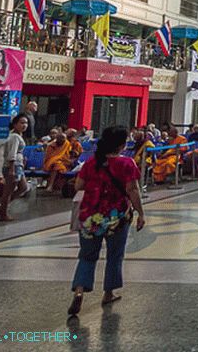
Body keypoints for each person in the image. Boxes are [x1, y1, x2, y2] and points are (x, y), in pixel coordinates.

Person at [68, 126, 145, 316]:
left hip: (90, 216)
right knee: (114, 255)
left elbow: (79, 185)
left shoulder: (91, 163)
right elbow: (132, 190)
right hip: (116, 217)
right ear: (121, 144)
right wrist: (141, 213)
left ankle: (79, 290)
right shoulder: (127, 164)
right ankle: (108, 292)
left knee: (86, 256)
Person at [0, 115, 29, 222]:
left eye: (26, 123)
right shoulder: (14, 137)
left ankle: (2, 207)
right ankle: (3, 213)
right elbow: (12, 153)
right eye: (22, 123)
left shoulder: (18, 136)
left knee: (23, 187)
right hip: (13, 166)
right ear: (15, 124)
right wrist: (11, 168)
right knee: (8, 191)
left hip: (19, 165)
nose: (24, 125)